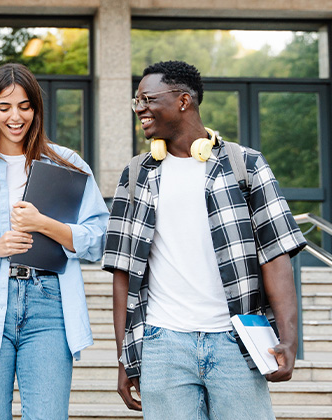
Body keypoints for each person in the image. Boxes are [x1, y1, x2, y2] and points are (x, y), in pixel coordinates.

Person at [102, 60, 307, 420]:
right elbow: (122, 272)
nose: (140, 109)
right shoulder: (136, 175)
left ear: (183, 101)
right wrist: (125, 357)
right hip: (162, 345)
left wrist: (288, 339)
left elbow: (276, 255)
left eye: (147, 99)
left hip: (236, 343)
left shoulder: (245, 165)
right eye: (137, 101)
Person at [0, 63, 109, 420]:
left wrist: (45, 224)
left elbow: (98, 239)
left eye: (25, 106)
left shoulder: (66, 163)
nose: (16, 116)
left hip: (49, 304)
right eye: (5, 106)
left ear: (36, 109)